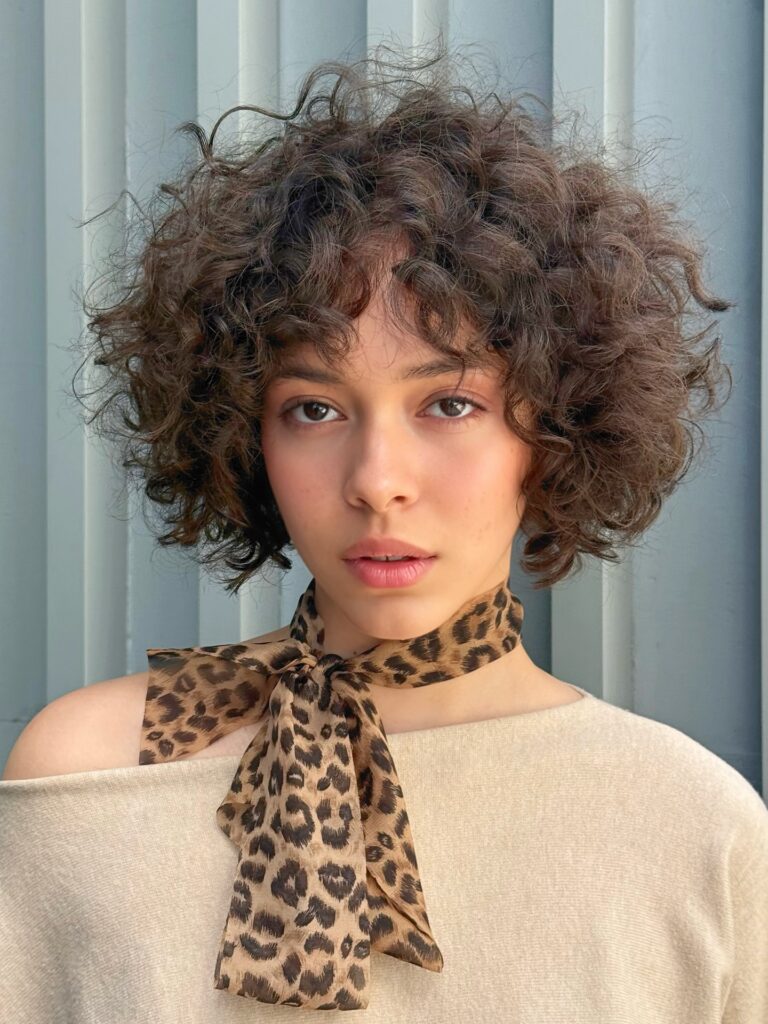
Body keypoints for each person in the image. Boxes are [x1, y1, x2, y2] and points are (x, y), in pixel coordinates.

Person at [1, 40, 766, 1023]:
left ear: (555, 426)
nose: (377, 483)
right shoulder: (89, 770)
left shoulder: (691, 827)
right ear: (244, 433)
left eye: (449, 405)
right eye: (314, 409)